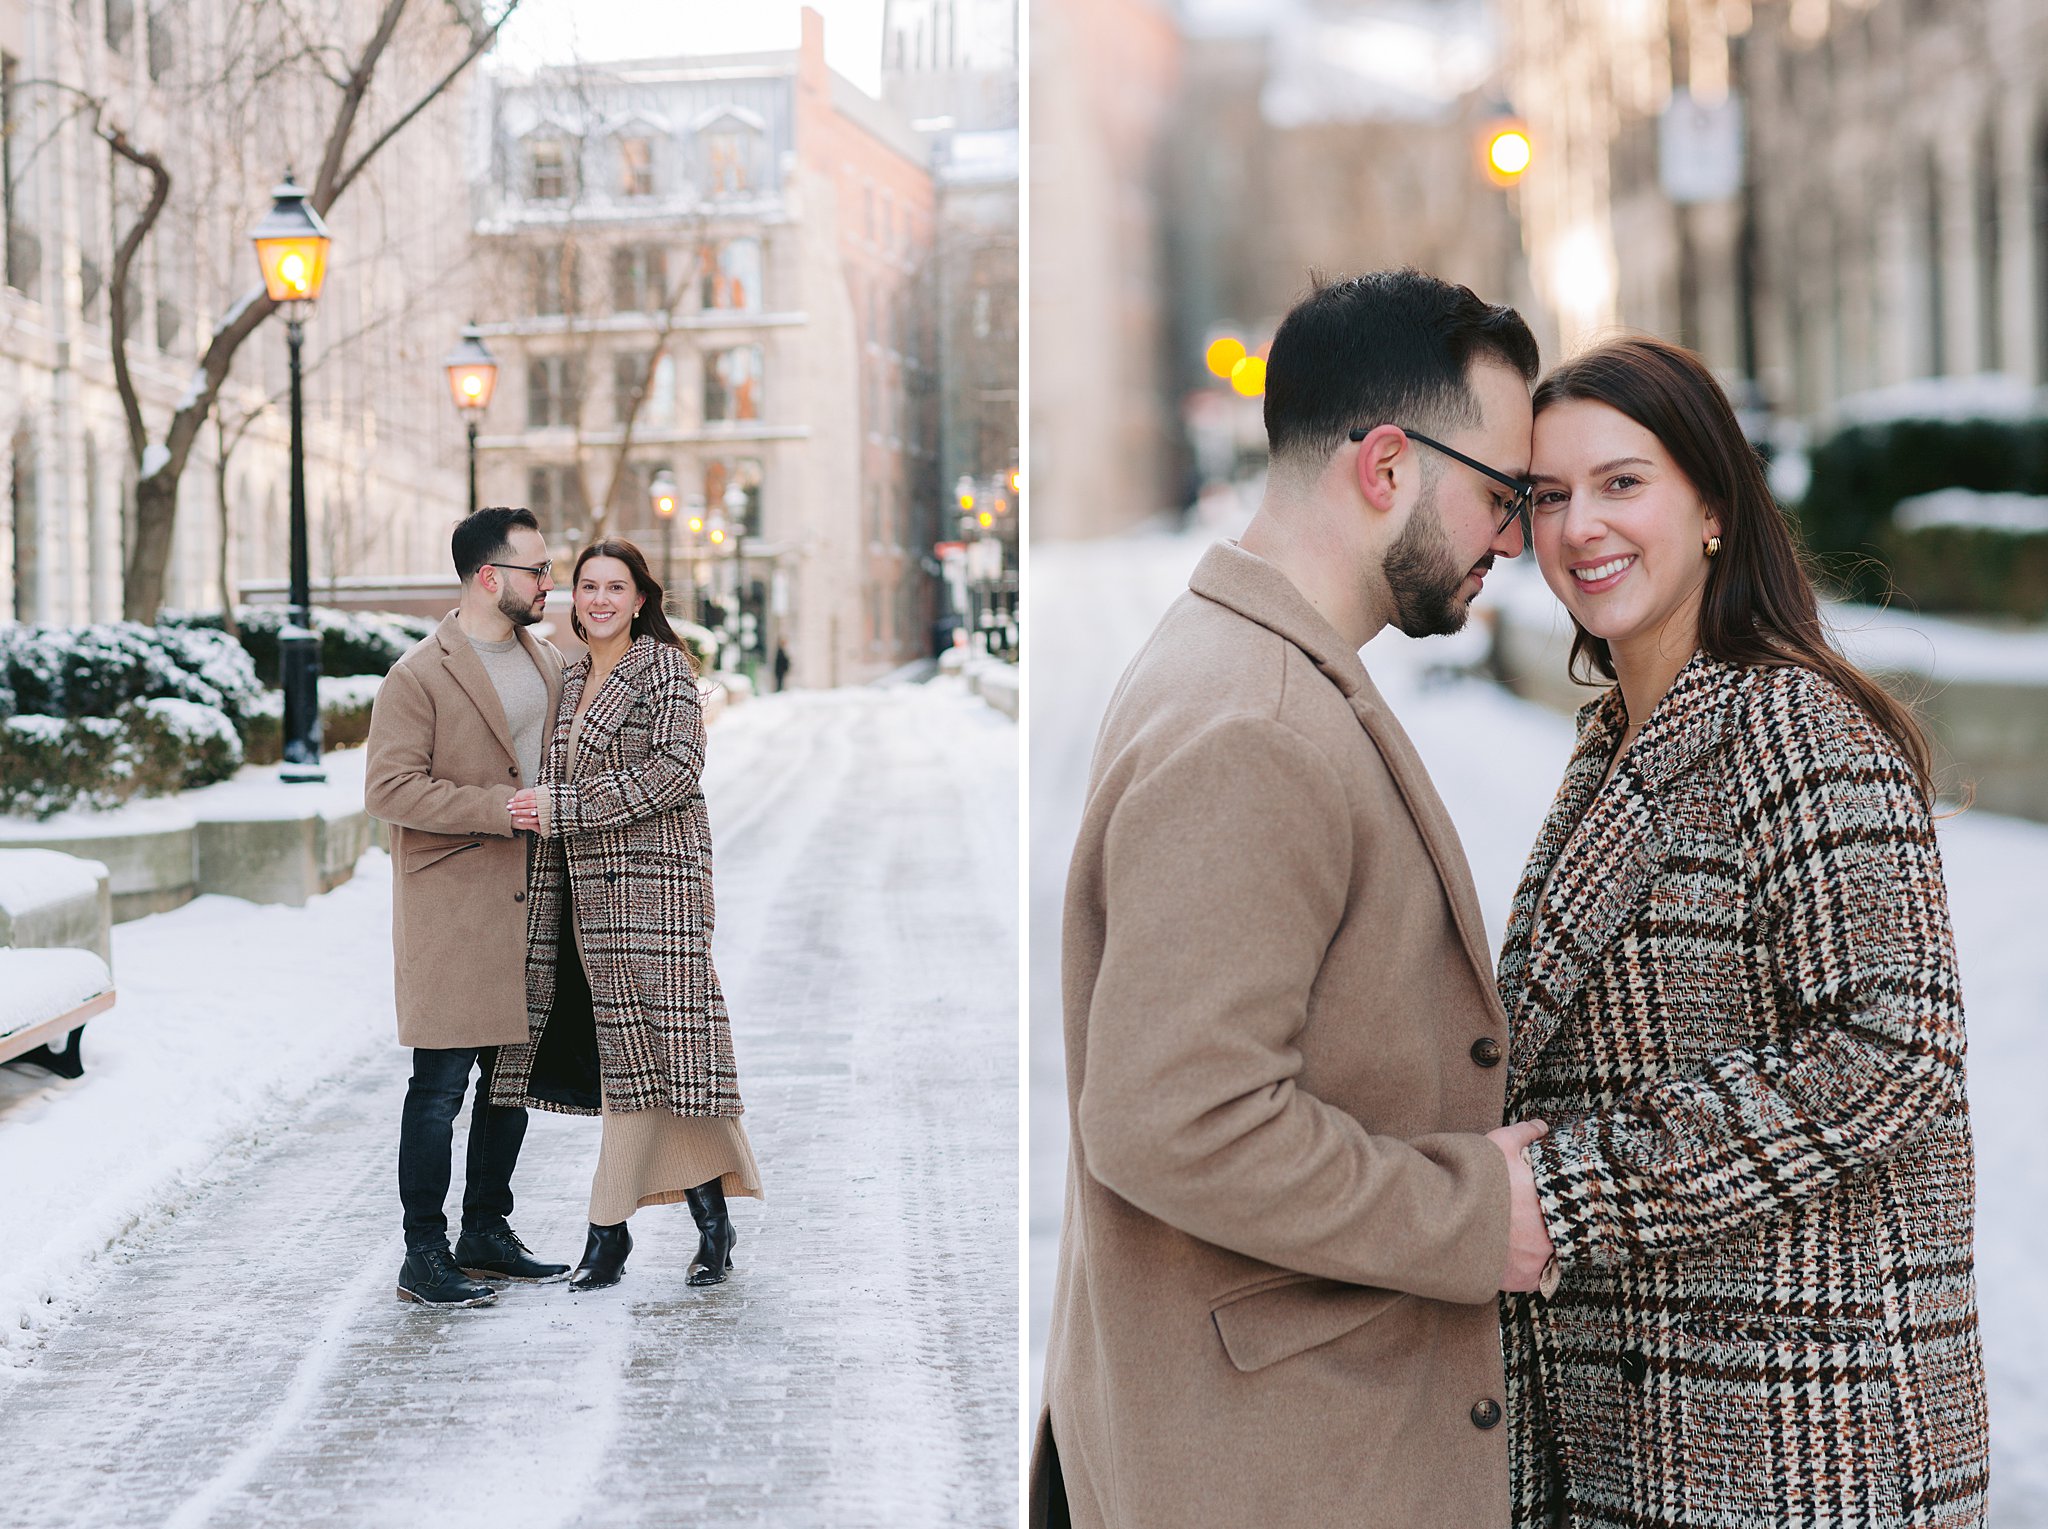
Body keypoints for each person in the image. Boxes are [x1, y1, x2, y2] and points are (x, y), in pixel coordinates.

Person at [1034, 269, 1555, 1529]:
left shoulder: (1256, 663)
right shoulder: (1255, 722)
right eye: (1499, 494)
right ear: (1386, 466)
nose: (1511, 537)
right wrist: (1469, 1216)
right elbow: (1175, 1118)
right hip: (1271, 1466)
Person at [1499, 335, 1989, 1527]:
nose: (1578, 528)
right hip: (1663, 1423)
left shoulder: (1789, 724)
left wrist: (1568, 1189)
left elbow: (1895, 1047)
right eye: (1547, 495)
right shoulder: (1617, 739)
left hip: (1803, 1436)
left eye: (1622, 483)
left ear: (1712, 504)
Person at [493, 538, 762, 1293]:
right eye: (588, 586)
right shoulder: (570, 676)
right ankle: (711, 1220)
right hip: (591, 898)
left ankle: (607, 1235)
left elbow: (677, 769)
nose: (601, 598)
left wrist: (565, 808)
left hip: (661, 892)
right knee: (651, 1060)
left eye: (616, 586)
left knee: (661, 1055)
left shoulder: (664, 668)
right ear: (572, 600)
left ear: (642, 598)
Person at [365, 505, 574, 1308]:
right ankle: (425, 1251)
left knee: (508, 1081)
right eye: (538, 570)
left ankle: (485, 1229)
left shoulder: (546, 659)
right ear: (491, 577)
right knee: (441, 1084)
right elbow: (388, 787)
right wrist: (503, 808)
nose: (548, 582)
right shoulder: (417, 675)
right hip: (453, 906)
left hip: (529, 900)